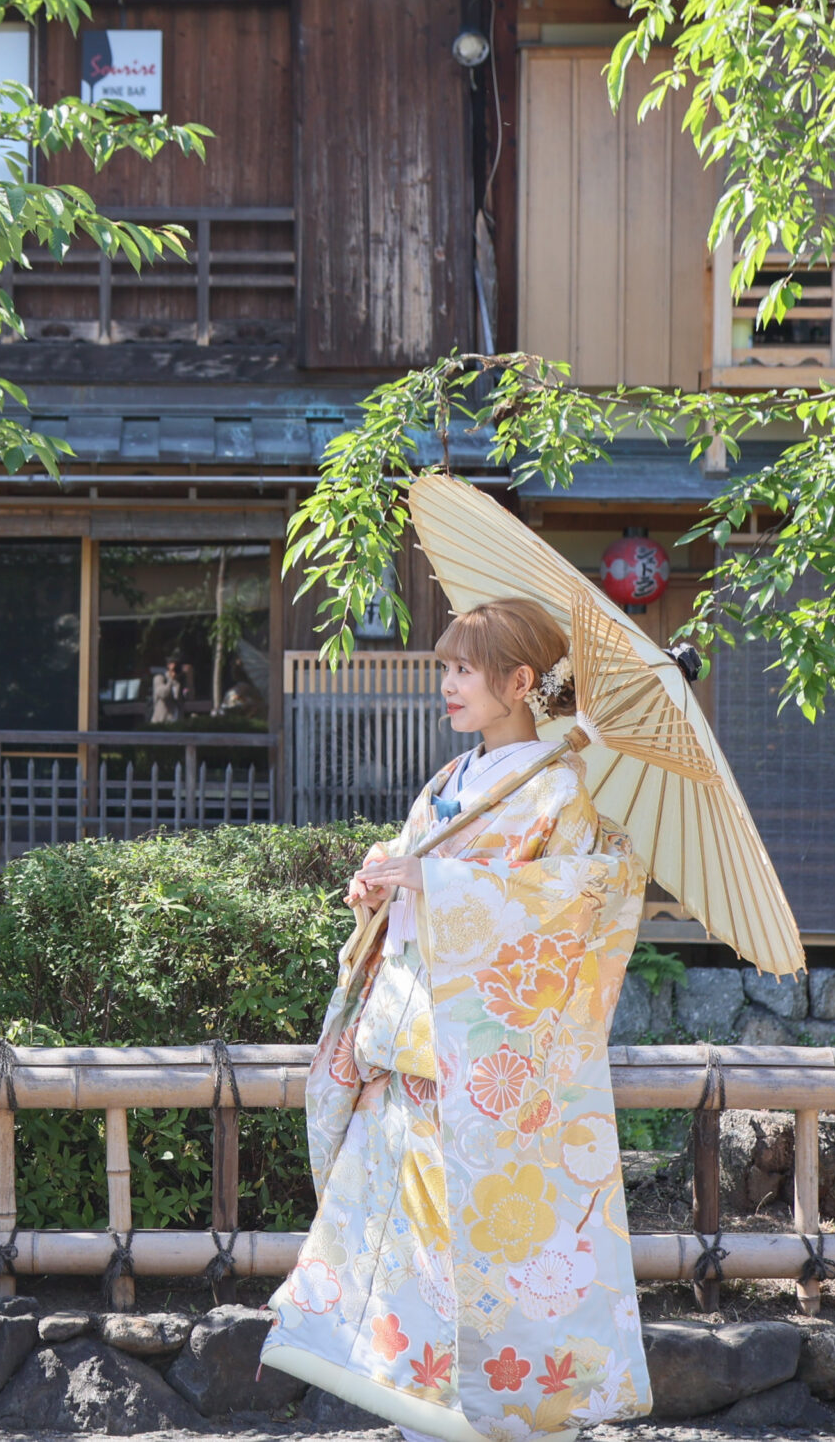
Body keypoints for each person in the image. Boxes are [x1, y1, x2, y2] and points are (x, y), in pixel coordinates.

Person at [259, 598, 654, 1442]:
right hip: (410, 1054)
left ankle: (486, 1424)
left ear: (519, 681)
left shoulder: (558, 789)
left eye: (463, 669)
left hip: (485, 1080)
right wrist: (381, 889)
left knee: (479, 1271)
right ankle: (421, 1420)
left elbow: (577, 905)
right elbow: (415, 893)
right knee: (403, 1268)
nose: (446, 684)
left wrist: (435, 884)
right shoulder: (452, 781)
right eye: (446, 667)